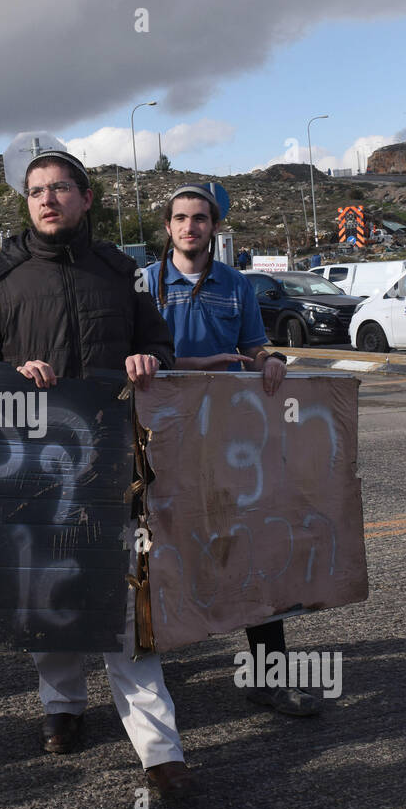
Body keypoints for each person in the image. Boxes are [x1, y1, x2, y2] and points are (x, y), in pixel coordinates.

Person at [0, 145, 194, 799]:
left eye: (61, 188)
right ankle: (61, 706)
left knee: (124, 600)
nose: (48, 199)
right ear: (27, 203)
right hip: (31, 468)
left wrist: (148, 357)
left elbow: (160, 345)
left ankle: (159, 748)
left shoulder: (120, 273)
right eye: (37, 191)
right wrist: (9, 374)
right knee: (50, 593)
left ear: (87, 199)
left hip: (116, 462)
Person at [143, 183, 320, 717]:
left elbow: (252, 343)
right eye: (180, 218)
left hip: (228, 440)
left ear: (214, 228)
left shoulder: (236, 285)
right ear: (168, 227)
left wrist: (269, 359)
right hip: (160, 439)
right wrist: (187, 367)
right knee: (155, 556)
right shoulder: (145, 283)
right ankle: (152, 690)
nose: (190, 227)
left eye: (200, 218)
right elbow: (133, 352)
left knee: (250, 551)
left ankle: (268, 678)